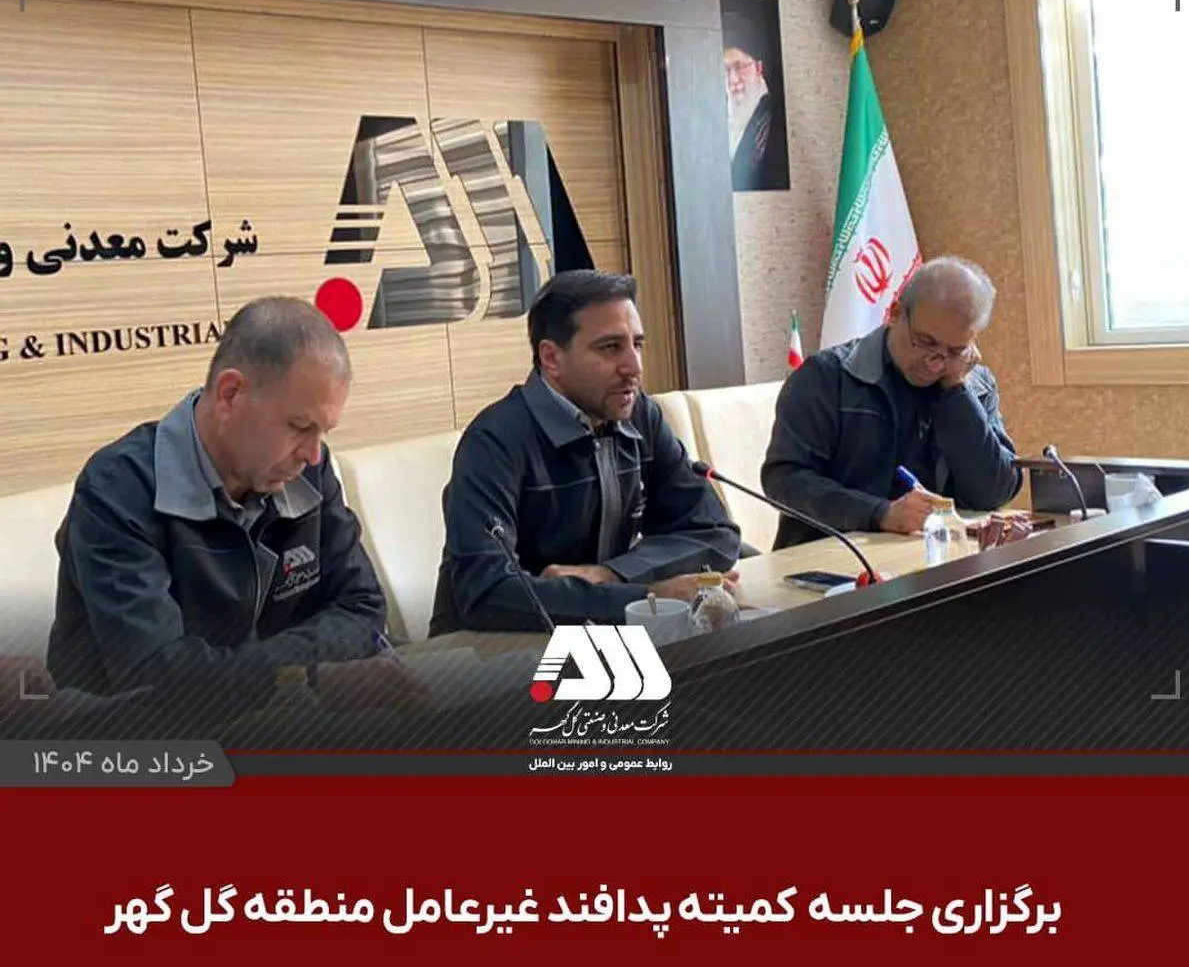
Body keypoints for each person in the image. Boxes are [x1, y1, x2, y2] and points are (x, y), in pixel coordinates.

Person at [46, 297, 404, 716]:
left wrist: (277, 678)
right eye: (299, 426)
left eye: (323, 431)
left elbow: (363, 607)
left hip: (284, 722)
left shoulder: (307, 470)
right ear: (230, 394)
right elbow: (156, 679)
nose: (313, 453)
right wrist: (305, 678)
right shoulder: (118, 490)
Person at [430, 270, 741, 634]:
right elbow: (487, 592)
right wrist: (644, 597)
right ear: (551, 358)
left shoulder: (641, 416)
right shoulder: (495, 441)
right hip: (494, 652)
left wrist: (611, 574)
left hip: (606, 636)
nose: (634, 367)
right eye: (610, 347)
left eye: (637, 344)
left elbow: (715, 532)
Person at [762, 256, 1021, 547]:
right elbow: (783, 480)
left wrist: (956, 391)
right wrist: (880, 513)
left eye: (955, 350)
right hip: (836, 557)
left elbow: (994, 493)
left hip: (936, 555)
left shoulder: (973, 384)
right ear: (896, 314)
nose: (935, 364)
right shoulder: (826, 377)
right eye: (926, 342)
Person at [723, 12, 790, 193]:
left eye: (739, 67)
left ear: (758, 68)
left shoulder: (776, 118)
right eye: (726, 69)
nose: (733, 79)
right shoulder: (720, 117)